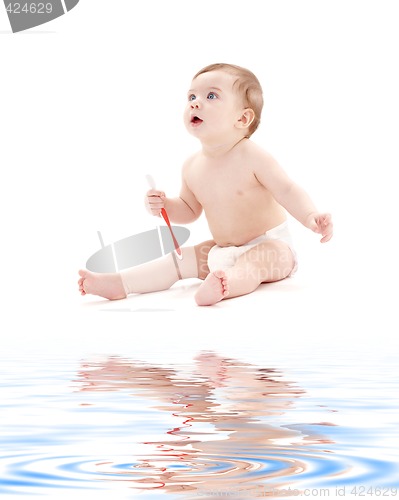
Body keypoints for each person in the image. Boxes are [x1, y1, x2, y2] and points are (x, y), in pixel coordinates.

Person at [78, 63, 333, 306]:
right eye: (191, 97)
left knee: (254, 264)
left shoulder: (253, 157)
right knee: (178, 261)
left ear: (242, 119)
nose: (195, 103)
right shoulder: (192, 166)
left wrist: (310, 216)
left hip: (271, 248)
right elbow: (189, 210)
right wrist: (164, 206)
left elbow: (287, 190)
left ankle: (226, 285)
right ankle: (121, 283)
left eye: (211, 96)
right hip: (220, 249)